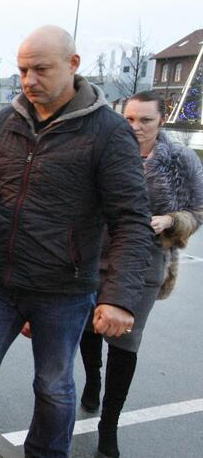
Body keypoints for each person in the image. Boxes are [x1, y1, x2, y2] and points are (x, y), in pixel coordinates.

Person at [0, 25, 153, 458]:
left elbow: (131, 221)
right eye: (23, 69)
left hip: (63, 292)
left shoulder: (107, 133)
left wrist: (120, 297)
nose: (29, 80)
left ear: (73, 64)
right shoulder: (5, 122)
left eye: (41, 69)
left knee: (53, 388)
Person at [78, 90, 203, 457]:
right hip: (94, 257)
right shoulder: (105, 150)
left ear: (161, 120)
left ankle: (109, 425)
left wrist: (171, 220)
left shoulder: (180, 159)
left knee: (126, 340)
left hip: (147, 261)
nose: (136, 127)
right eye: (129, 119)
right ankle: (92, 378)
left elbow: (199, 209)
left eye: (145, 120)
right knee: (91, 327)